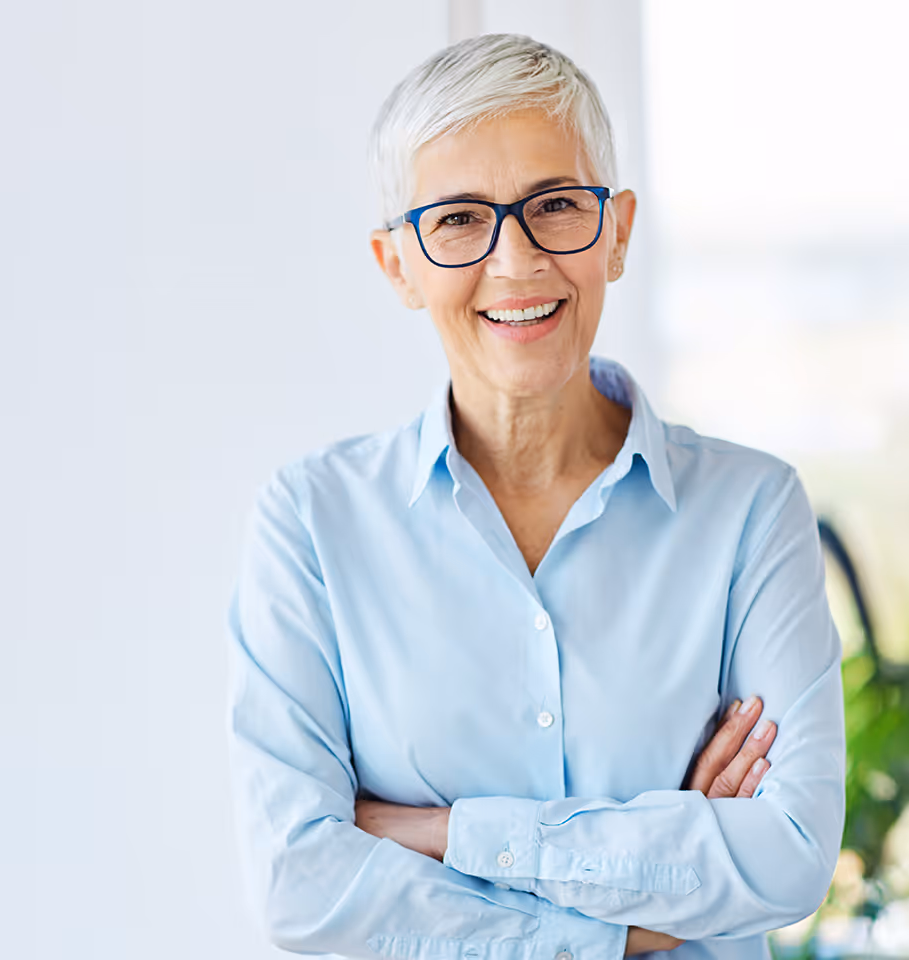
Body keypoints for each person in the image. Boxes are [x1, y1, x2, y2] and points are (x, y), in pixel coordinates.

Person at [224, 33, 845, 960]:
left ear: (618, 231)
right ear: (396, 262)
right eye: (459, 220)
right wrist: (630, 927)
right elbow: (300, 887)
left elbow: (787, 856)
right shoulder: (312, 523)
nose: (516, 263)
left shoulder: (750, 511)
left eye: (555, 206)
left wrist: (440, 834)